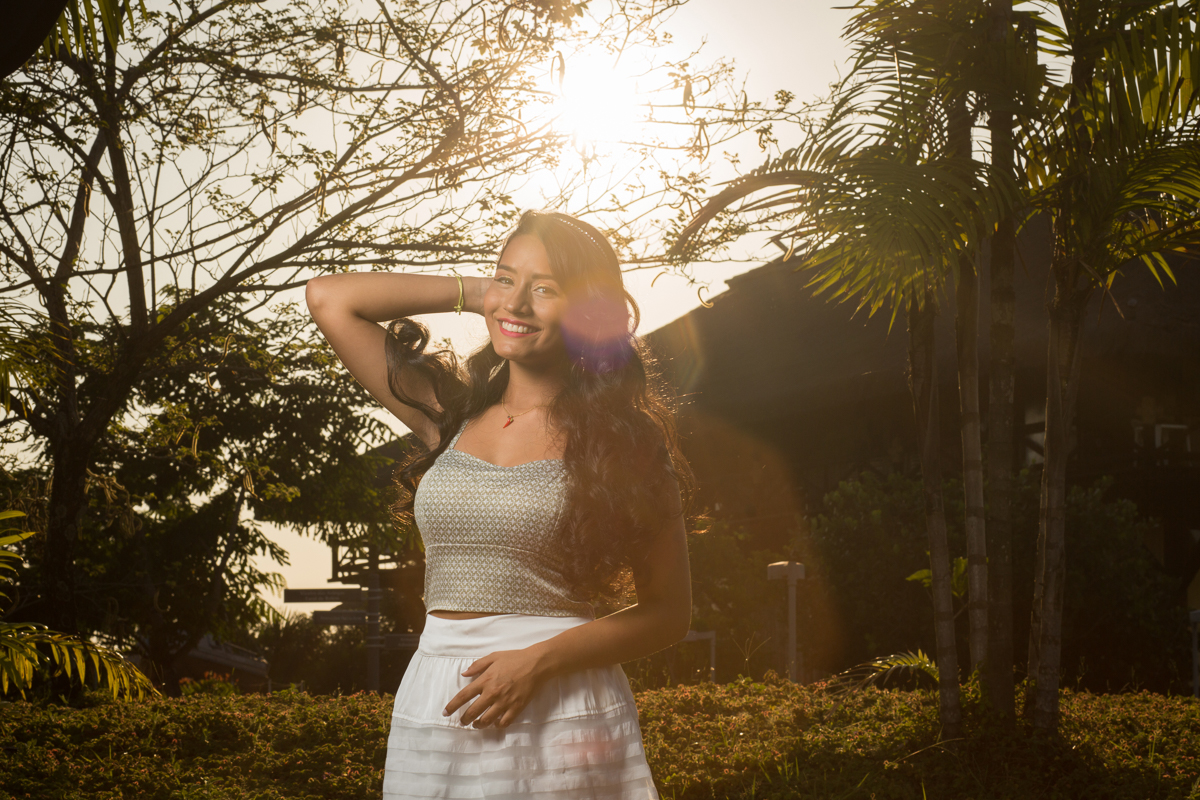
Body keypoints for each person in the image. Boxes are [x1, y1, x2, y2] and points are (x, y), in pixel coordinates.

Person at [305, 209, 693, 799]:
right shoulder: (449, 415)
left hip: (561, 702)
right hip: (438, 697)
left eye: (546, 289)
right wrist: (482, 293)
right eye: (506, 278)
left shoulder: (623, 444)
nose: (517, 304)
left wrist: (539, 661)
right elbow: (330, 297)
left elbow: (669, 614)